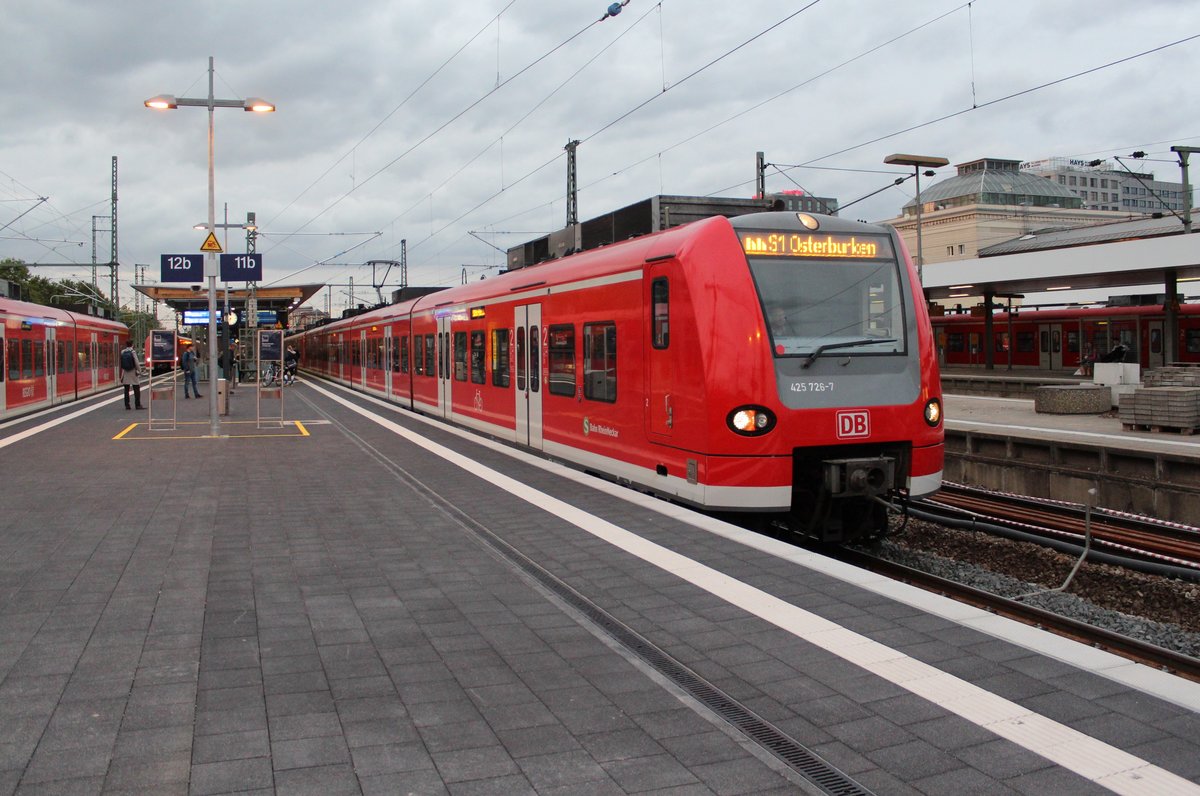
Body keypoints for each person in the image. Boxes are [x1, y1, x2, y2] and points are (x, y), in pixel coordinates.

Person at [119, 340, 144, 410]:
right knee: (136, 388)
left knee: (126, 390)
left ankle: (127, 405)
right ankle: (137, 405)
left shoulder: (123, 352)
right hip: (133, 372)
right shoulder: (133, 352)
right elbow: (136, 362)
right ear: (132, 345)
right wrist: (139, 371)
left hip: (125, 372)